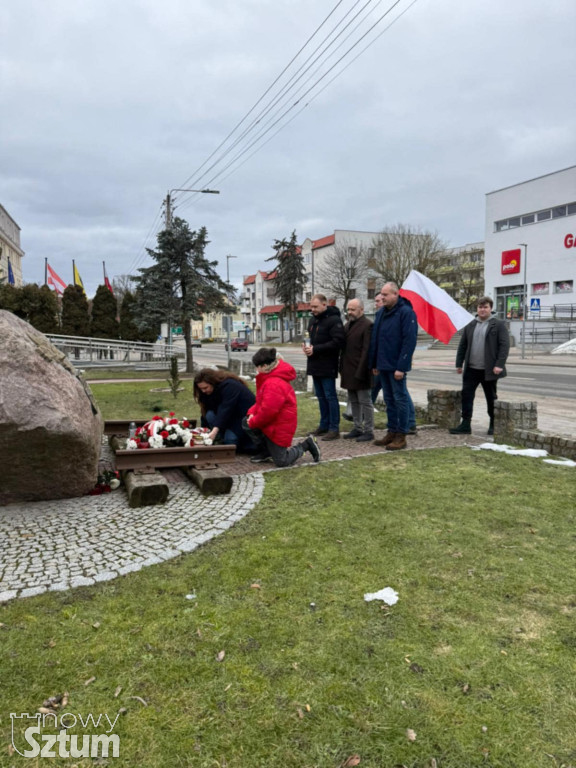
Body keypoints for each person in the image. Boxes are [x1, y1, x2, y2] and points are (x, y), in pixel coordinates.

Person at [243, 347, 320, 465]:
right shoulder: (269, 378)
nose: (256, 369)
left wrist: (253, 421)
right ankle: (267, 451)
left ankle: (306, 445)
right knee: (246, 422)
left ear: (264, 366)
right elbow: (261, 403)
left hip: (279, 426)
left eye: (257, 366)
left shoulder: (274, 383)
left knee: (282, 461)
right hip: (276, 422)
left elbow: (268, 412)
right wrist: (251, 413)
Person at [449, 296, 510, 435]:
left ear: (491, 308)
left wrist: (499, 364)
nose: (482, 310)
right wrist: (459, 363)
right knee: (467, 396)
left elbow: (504, 346)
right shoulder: (471, 324)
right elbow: (463, 345)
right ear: (477, 308)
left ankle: (493, 424)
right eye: (480, 307)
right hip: (471, 369)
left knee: (491, 398)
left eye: (485, 307)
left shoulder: (498, 325)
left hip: (489, 370)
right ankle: (465, 425)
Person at [369, 282, 418, 451]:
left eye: (385, 295)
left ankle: (401, 435)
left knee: (400, 399)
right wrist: (374, 363)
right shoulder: (381, 312)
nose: (382, 297)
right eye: (381, 295)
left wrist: (402, 367)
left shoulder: (406, 313)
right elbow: (376, 339)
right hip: (383, 365)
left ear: (396, 294)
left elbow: (409, 341)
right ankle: (392, 431)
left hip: (397, 367)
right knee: (389, 400)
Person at [303, 294, 345, 441]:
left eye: (315, 307)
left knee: (330, 396)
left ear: (324, 305)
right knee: (320, 396)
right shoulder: (313, 320)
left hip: (327, 365)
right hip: (314, 364)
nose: (312, 309)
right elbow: (310, 338)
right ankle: (324, 425)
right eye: (311, 306)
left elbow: (338, 342)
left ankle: (334, 428)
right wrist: (306, 346)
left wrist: (316, 349)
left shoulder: (334, 320)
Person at [193, 368, 256, 451]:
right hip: (228, 417)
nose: (203, 391)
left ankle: (244, 444)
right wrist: (202, 430)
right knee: (209, 415)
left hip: (242, 417)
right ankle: (220, 438)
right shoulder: (208, 392)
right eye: (201, 389)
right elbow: (205, 410)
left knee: (230, 441)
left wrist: (214, 431)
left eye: (205, 388)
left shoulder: (230, 386)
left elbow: (225, 409)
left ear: (212, 382)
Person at [340, 299, 374, 442]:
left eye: (353, 309)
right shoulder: (348, 325)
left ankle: (369, 430)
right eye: (348, 309)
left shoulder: (367, 325)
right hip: (348, 370)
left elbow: (367, 351)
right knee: (353, 401)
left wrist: (361, 371)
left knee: (365, 401)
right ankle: (357, 427)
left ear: (361, 309)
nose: (350, 312)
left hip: (361, 371)